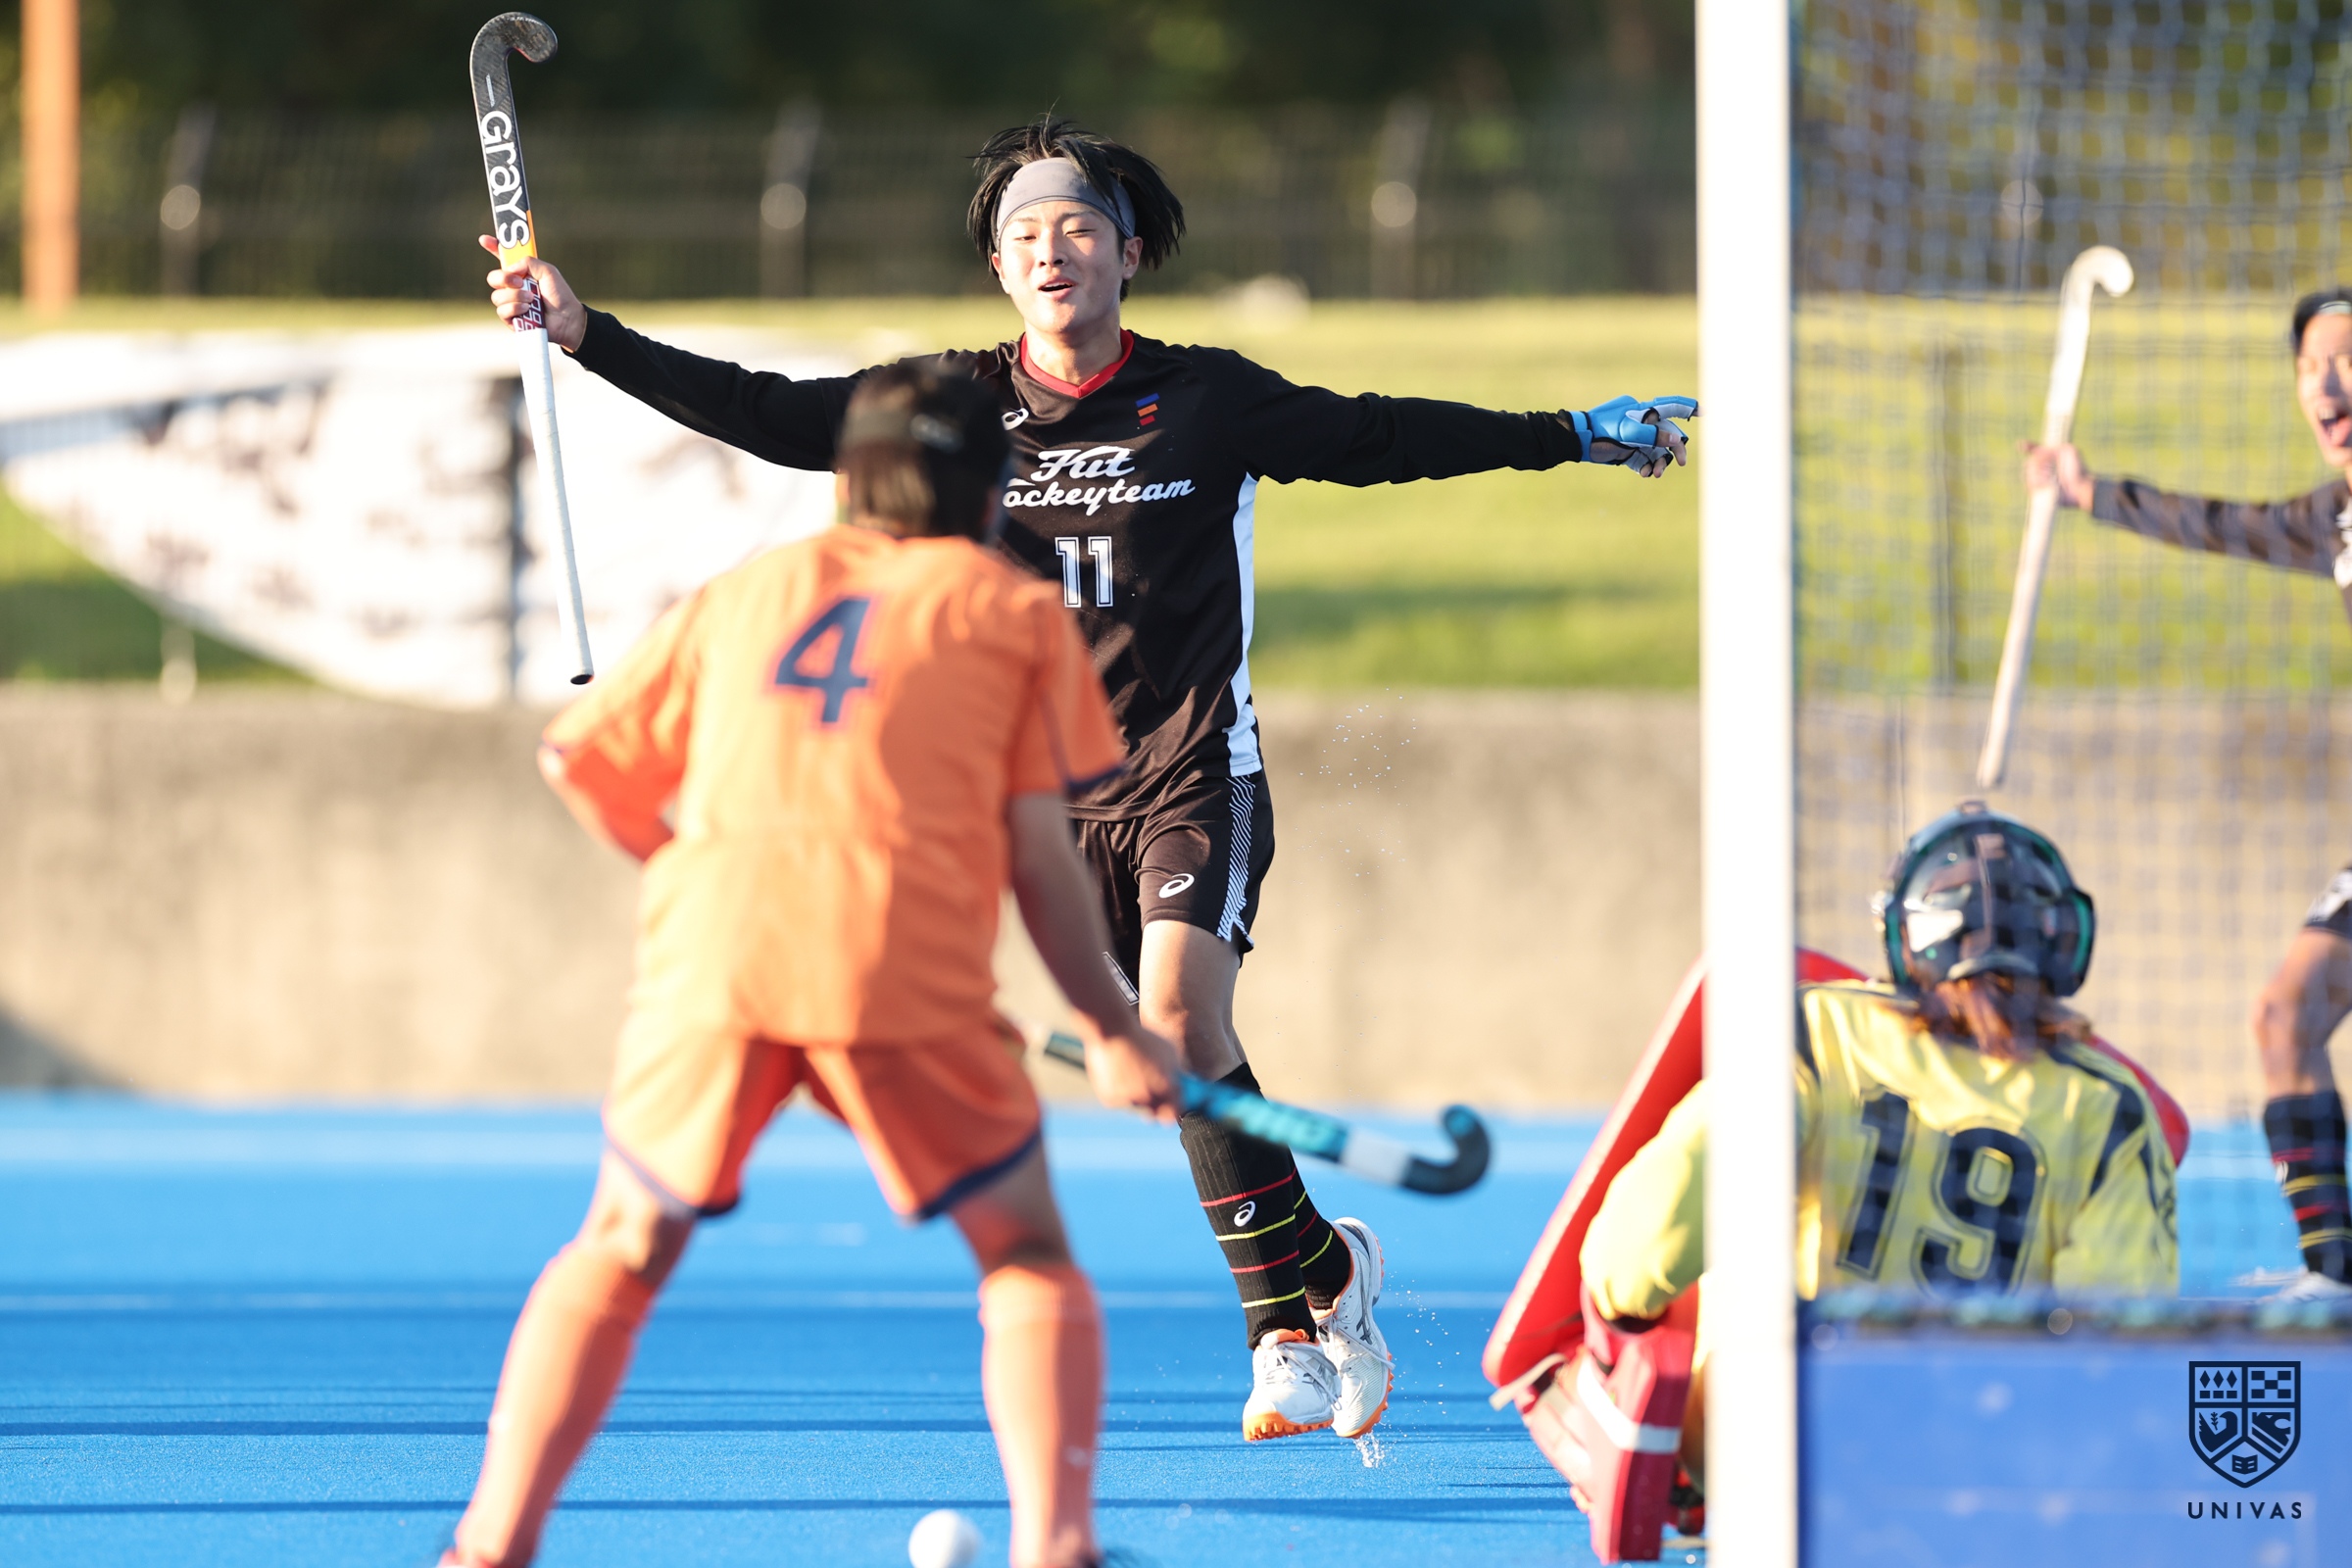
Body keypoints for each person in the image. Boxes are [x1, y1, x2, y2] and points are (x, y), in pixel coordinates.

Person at [478, 114, 1699, 1442]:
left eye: (1075, 227)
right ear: (999, 268)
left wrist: (1571, 433)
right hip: (1040, 801)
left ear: (1127, 252)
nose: (1050, 250)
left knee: (1177, 1023)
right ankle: (1328, 1267)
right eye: (1023, 234)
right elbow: (773, 414)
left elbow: (1381, 434)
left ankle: (1281, 1332)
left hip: (1191, 773)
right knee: (1182, 1059)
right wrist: (586, 333)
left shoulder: (1208, 399)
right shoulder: (945, 408)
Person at [437, 364, 1185, 1568]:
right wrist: (1111, 1027)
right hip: (899, 972)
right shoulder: (1008, 610)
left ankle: (488, 1547)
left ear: (850, 480)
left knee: (620, 1243)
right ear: (990, 489)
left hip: (711, 963)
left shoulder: (746, 590)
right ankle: (1057, 1548)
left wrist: (705, 874)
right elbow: (1041, 863)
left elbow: (580, 762)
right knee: (1026, 1254)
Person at [1577, 804, 2179, 1496]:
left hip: (1773, 1452)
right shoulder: (2108, 1106)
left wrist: (1619, 1318)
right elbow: (2117, 1350)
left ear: (1906, 934)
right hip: (1984, 1476)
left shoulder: (1816, 1030)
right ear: (2063, 942)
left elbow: (1649, 1239)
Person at [2022, 286, 2352, 1298]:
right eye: (2309, 367)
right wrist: (2089, 492)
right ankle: (2336, 1281)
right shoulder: (2336, 517)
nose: (2327, 388)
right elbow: (2224, 525)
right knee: (2284, 1016)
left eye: (2347, 360)